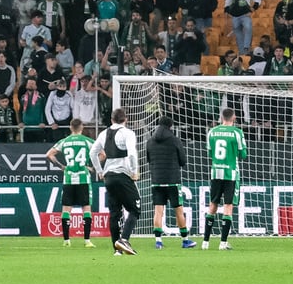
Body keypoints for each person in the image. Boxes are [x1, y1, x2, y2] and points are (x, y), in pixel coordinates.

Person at [90, 108, 140, 256]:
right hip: (123, 175)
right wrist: (134, 171)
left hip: (109, 177)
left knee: (115, 212)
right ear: (126, 119)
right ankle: (124, 240)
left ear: (111, 120)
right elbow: (132, 154)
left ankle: (117, 250)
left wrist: (100, 171)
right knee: (135, 209)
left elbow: (92, 152)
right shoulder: (128, 133)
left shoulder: (103, 133)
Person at [45, 118, 97, 248]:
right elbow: (102, 154)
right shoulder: (87, 141)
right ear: (82, 127)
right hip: (83, 178)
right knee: (86, 208)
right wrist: (92, 167)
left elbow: (49, 154)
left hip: (68, 178)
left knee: (66, 209)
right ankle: (87, 241)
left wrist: (61, 166)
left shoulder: (64, 141)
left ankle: (66, 240)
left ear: (70, 127)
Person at [147, 115, 194, 249]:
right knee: (178, 210)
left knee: (158, 211)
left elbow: (149, 159)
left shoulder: (150, 141)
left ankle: (158, 241)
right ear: (170, 126)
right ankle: (185, 240)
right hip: (173, 180)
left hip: (157, 180)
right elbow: (183, 161)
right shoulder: (175, 140)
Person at [202, 108, 247, 250]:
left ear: (222, 117)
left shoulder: (212, 132)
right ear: (234, 117)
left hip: (216, 173)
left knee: (213, 205)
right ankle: (223, 243)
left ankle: (205, 242)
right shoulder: (237, 132)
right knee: (228, 206)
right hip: (230, 174)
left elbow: (210, 153)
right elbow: (243, 154)